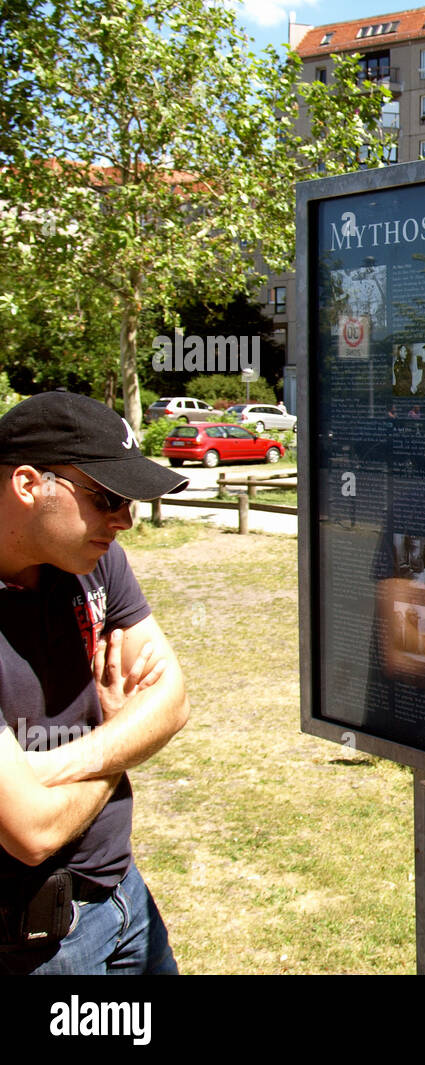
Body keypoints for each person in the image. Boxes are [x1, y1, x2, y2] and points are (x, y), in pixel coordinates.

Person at [0, 392, 191, 974]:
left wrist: (44, 770)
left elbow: (172, 699)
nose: (125, 519)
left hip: (125, 893)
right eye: (107, 497)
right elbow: (31, 831)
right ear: (30, 484)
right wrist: (119, 734)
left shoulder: (94, 557)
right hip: (34, 941)